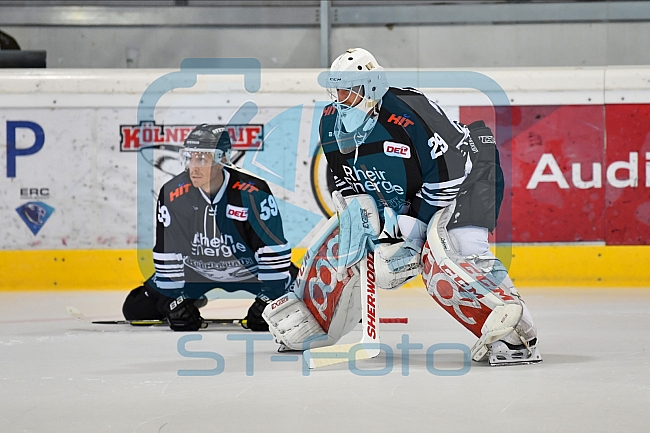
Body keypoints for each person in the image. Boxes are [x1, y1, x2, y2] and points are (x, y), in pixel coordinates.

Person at [263, 48, 541, 365]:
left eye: (348, 90)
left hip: (471, 174)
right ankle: (317, 320)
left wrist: (414, 233)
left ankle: (518, 334)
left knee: (460, 248)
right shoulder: (329, 120)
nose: (339, 98)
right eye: (335, 89)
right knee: (353, 248)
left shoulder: (410, 112)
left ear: (370, 88)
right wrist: (366, 228)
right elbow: (348, 182)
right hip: (417, 188)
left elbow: (446, 178)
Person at [123, 124, 295, 332]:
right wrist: (174, 301)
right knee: (136, 309)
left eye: (202, 159)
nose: (193, 167)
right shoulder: (172, 194)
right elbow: (167, 254)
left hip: (251, 271)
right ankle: (193, 298)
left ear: (222, 160)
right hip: (196, 272)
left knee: (306, 299)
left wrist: (269, 299)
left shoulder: (253, 192)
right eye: (190, 158)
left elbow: (271, 252)